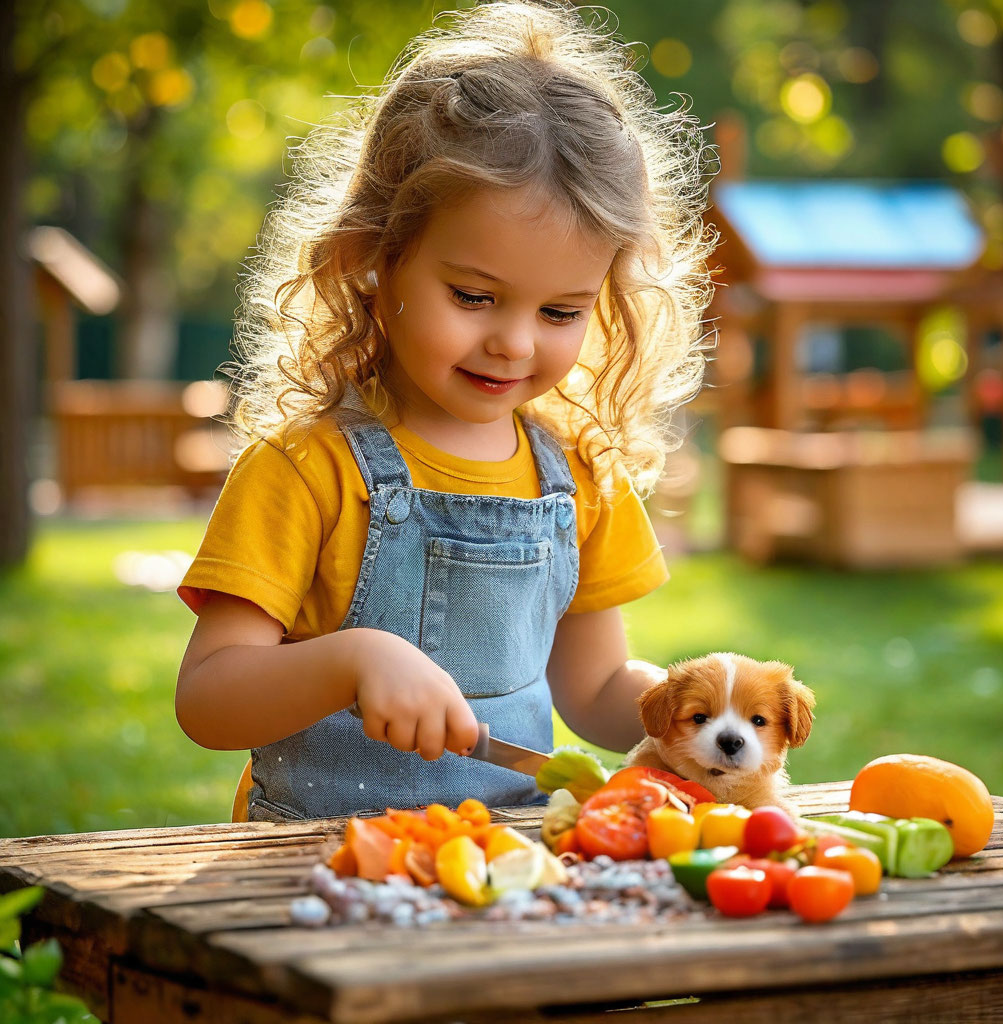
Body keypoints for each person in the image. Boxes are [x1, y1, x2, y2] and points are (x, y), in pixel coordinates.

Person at [175, 0, 715, 822]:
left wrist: (696, 715)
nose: (513, 342)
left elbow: (597, 687)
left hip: (509, 864)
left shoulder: (577, 474)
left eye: (561, 312)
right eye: (473, 296)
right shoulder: (305, 469)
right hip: (316, 869)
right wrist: (351, 660)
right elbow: (208, 700)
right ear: (371, 257)